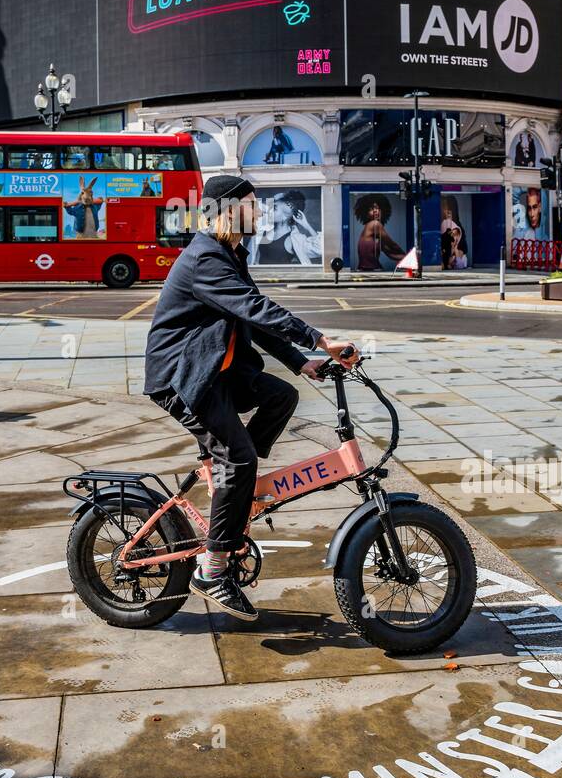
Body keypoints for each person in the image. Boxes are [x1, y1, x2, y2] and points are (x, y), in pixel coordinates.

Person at [143, 174, 359, 622]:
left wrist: (302, 362)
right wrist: (320, 339)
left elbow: (254, 319)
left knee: (281, 396)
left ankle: (239, 491)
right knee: (239, 458)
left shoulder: (230, 254)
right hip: (183, 378)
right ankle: (213, 568)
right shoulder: (206, 257)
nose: (259, 212)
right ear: (227, 209)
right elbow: (257, 309)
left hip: (215, 372)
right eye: (252, 204)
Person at [247, 189, 322, 265]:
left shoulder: (295, 239)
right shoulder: (263, 229)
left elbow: (321, 249)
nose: (269, 210)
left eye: (274, 208)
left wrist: (306, 225)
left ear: (285, 216)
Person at [354, 194, 405, 271]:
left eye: (377, 208)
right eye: (371, 209)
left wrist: (403, 258)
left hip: (366, 269)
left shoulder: (373, 234)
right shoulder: (374, 224)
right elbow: (392, 244)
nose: (375, 211)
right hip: (371, 269)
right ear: (366, 213)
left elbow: (390, 253)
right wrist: (408, 256)